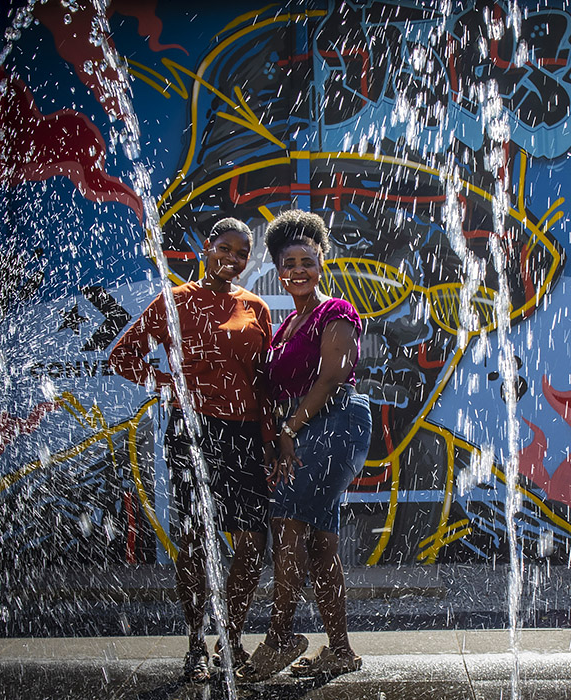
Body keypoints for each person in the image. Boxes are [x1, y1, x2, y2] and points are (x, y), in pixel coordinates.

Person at [108, 217, 272, 682]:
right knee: (198, 538)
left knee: (253, 540)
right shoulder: (175, 301)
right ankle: (195, 642)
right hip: (194, 432)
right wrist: (171, 385)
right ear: (207, 248)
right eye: (226, 248)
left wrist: (272, 437)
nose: (234, 259)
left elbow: (264, 379)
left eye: (242, 254)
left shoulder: (255, 306)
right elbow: (123, 357)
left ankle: (231, 639)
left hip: (245, 433)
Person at [238, 209, 371, 682]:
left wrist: (291, 429)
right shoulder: (284, 328)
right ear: (278, 270)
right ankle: (340, 649)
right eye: (288, 263)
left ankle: (280, 638)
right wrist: (280, 438)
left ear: (321, 262)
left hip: (335, 420)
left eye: (307, 261)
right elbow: (275, 393)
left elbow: (335, 374)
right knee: (320, 541)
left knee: (288, 523)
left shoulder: (335, 312)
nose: (298, 270)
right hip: (302, 428)